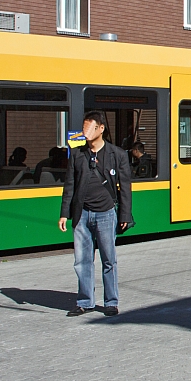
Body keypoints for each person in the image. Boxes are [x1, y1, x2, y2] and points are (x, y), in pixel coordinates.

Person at [59, 111, 134, 317]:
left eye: (90, 127)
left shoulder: (117, 154)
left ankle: (111, 301)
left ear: (101, 129)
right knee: (82, 260)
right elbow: (69, 186)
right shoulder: (77, 154)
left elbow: (125, 187)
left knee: (108, 259)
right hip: (81, 214)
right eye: (84, 127)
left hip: (106, 214)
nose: (86, 131)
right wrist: (65, 213)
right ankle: (85, 302)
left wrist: (125, 215)